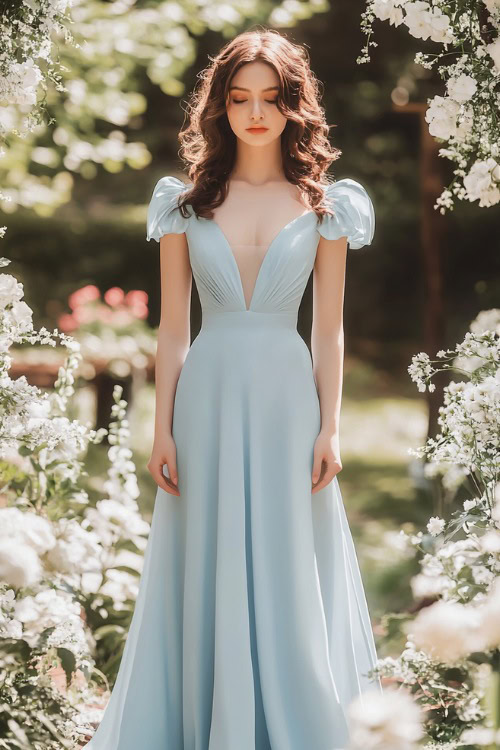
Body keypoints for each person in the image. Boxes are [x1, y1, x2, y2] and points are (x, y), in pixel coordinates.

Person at [84, 26, 382, 750]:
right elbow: (172, 329)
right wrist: (161, 429)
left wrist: (331, 426)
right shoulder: (182, 204)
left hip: (288, 403)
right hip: (207, 402)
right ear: (220, 106)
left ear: (292, 106)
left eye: (271, 99)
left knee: (286, 555)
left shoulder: (326, 204)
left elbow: (329, 329)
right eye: (241, 97)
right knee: (205, 555)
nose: (256, 113)